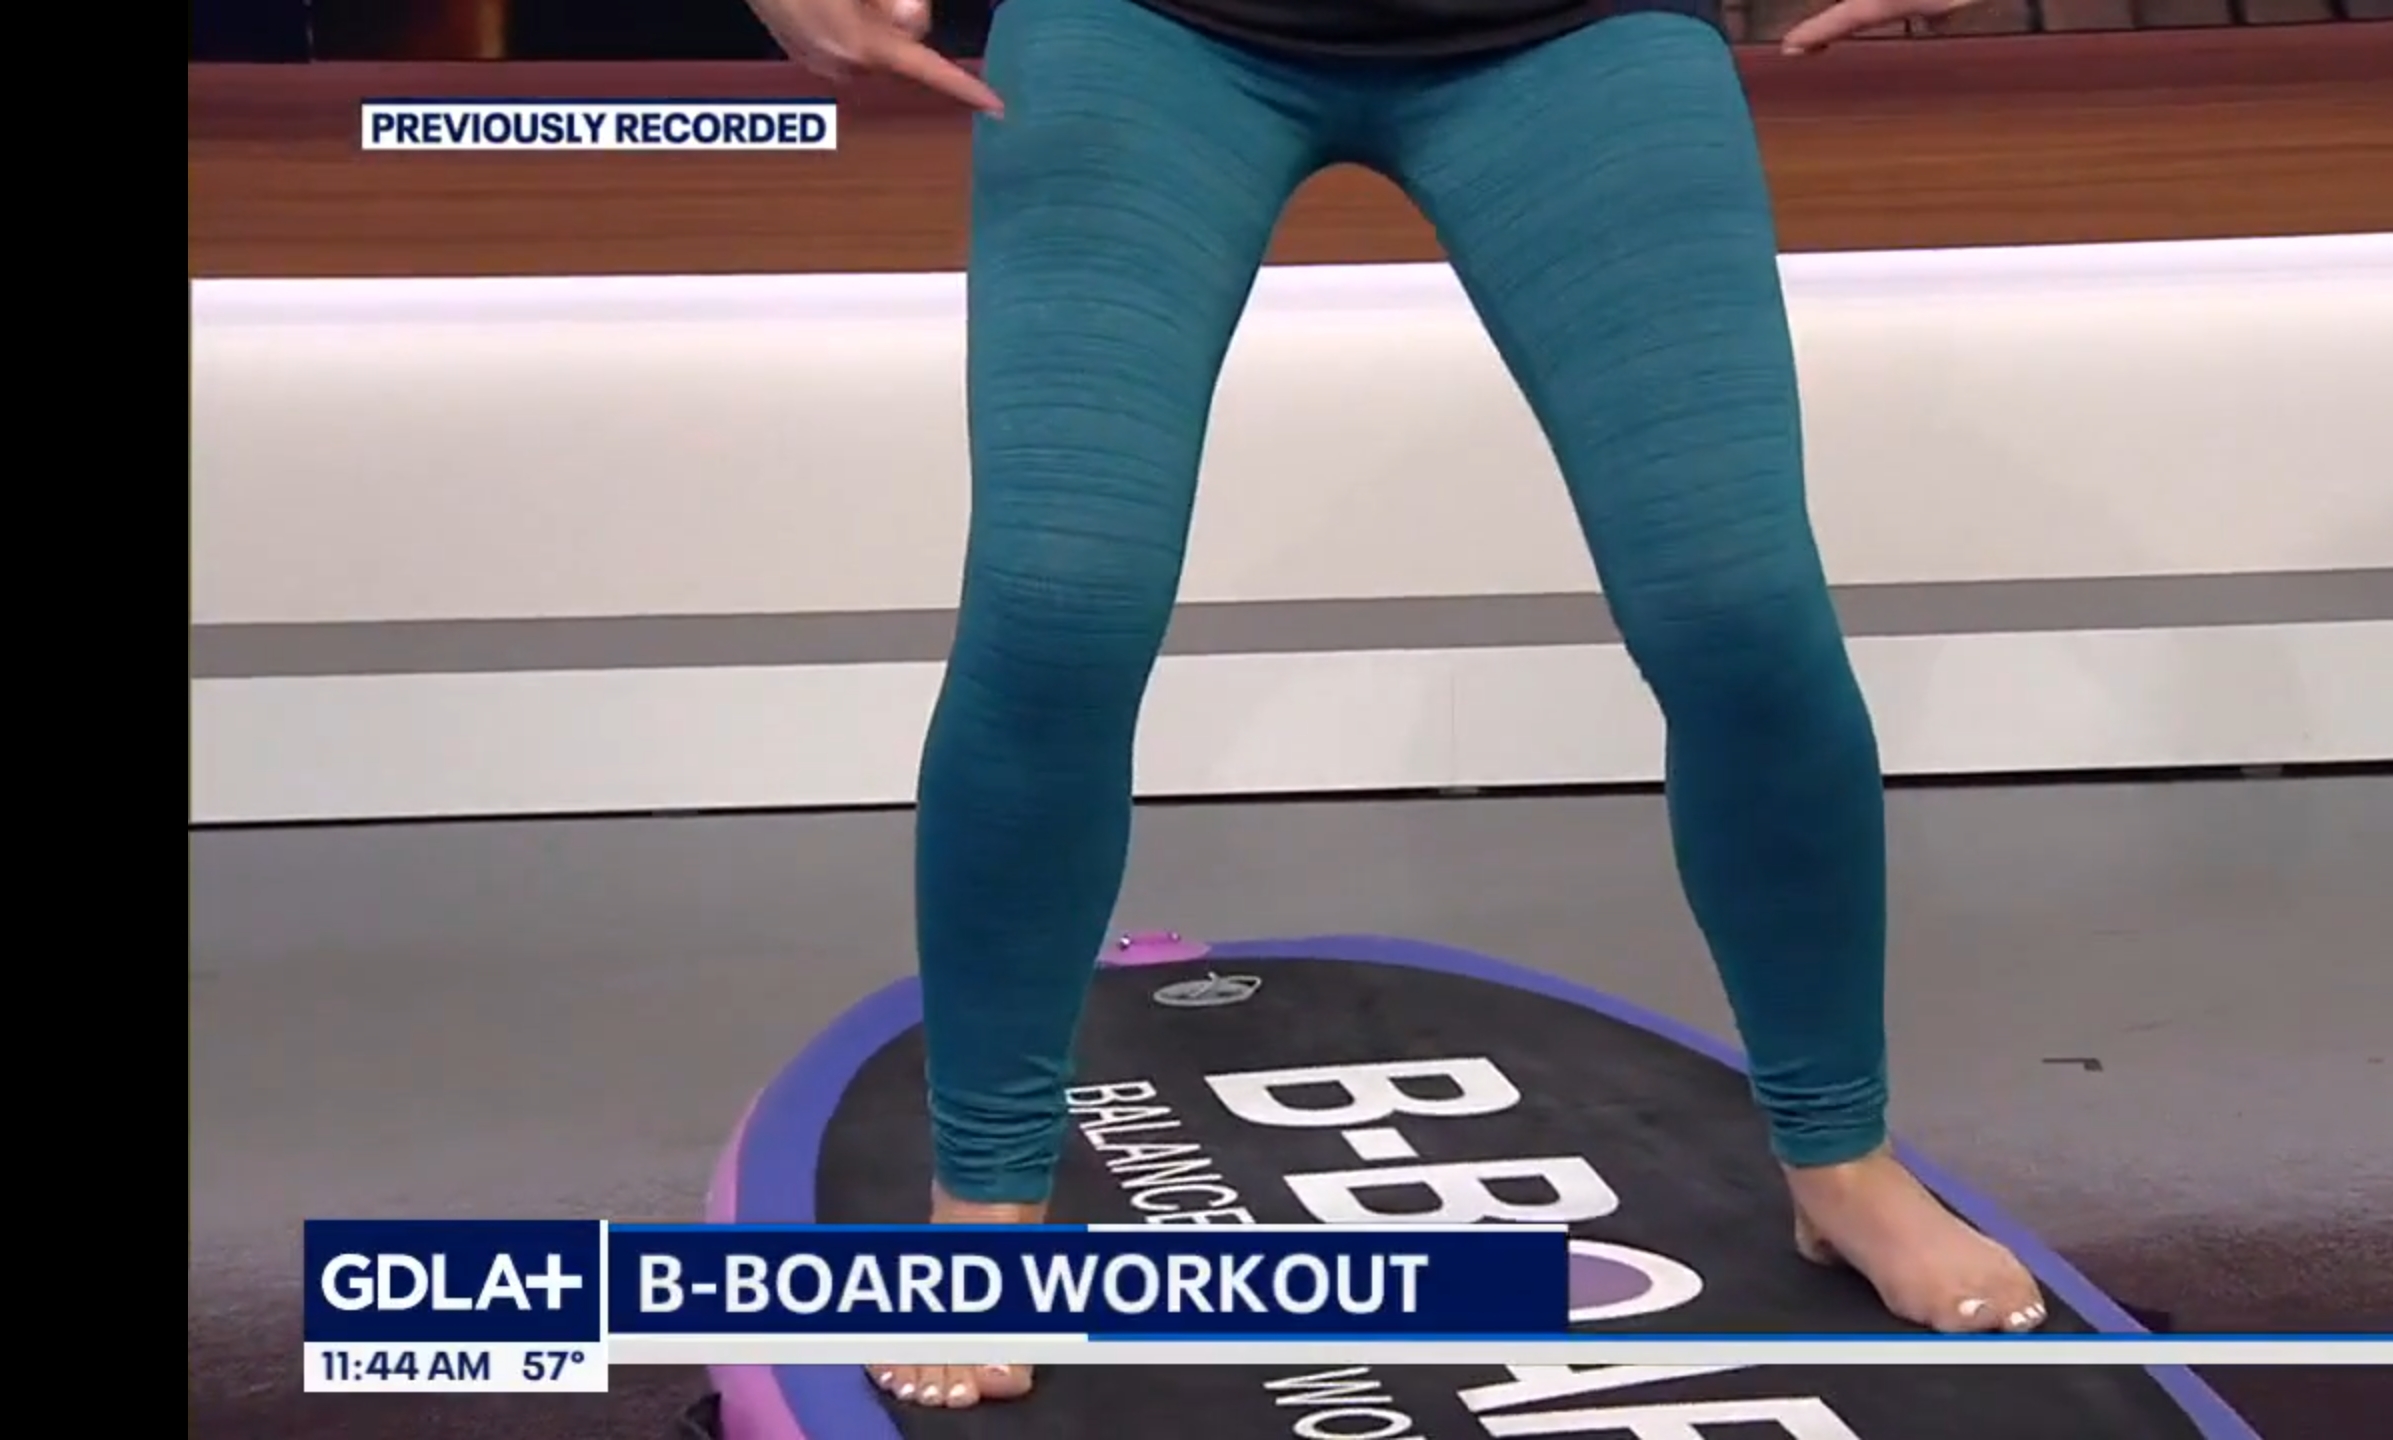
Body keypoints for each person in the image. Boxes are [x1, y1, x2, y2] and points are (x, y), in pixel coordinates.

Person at [740, 0, 2036, 1409]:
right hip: (1146, 28)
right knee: (1060, 605)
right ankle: (985, 1198)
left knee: (1738, 608)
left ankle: (1840, 1156)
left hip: (1574, 29)